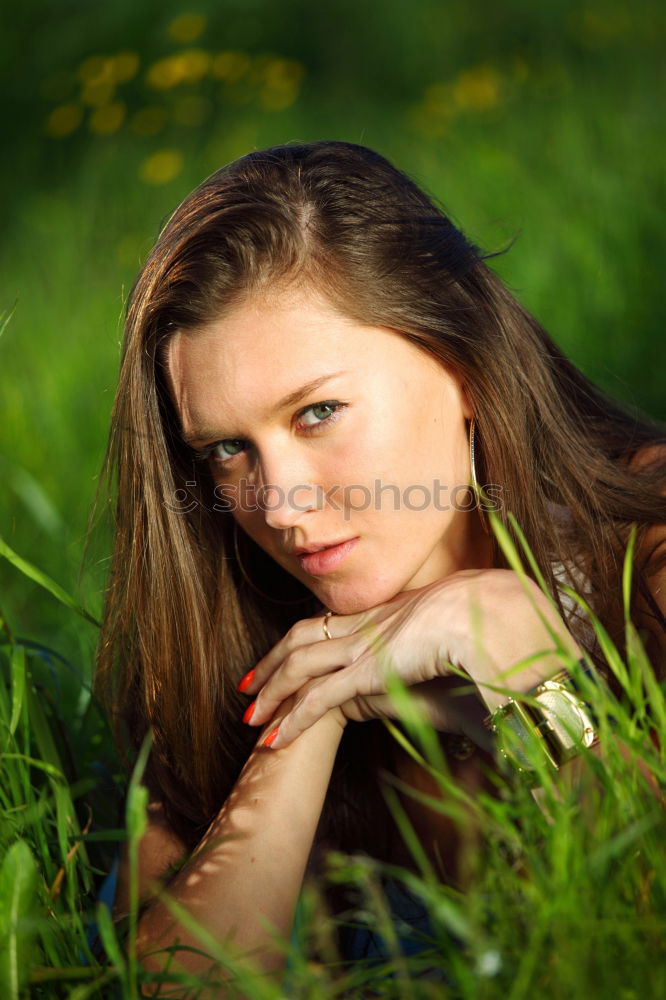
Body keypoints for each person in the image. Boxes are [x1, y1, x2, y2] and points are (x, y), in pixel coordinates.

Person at [95, 139, 666, 992]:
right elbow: (178, 985)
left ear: (466, 363)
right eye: (226, 449)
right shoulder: (215, 636)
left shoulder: (645, 557)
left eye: (319, 411)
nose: (279, 505)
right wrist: (304, 719)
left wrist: (530, 666)